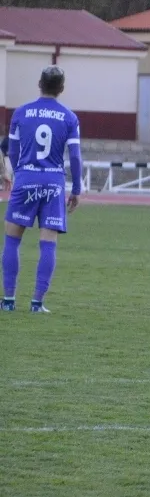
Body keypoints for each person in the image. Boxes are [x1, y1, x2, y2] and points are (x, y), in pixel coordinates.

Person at [1, 66, 82, 313]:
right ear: (62, 88)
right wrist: (77, 189)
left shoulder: (21, 113)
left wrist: (19, 173)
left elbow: (12, 151)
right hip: (53, 182)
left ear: (39, 84)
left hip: (26, 178)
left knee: (12, 240)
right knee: (48, 243)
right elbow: (75, 156)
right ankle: (37, 303)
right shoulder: (69, 117)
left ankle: (8, 301)